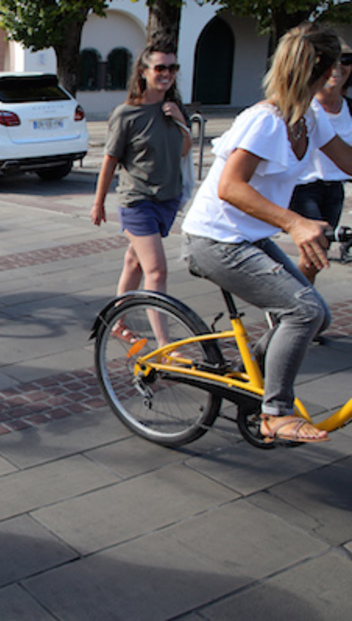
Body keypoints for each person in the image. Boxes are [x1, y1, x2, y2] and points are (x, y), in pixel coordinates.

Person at [182, 23, 352, 443]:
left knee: (318, 315)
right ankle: (274, 412)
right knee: (303, 311)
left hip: (246, 238)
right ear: (327, 68)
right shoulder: (265, 121)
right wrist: (295, 222)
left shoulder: (310, 119)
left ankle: (252, 372)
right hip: (214, 240)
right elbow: (230, 187)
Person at [91, 39, 193, 344]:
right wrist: (99, 204)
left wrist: (179, 120)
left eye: (172, 67)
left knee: (134, 261)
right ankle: (165, 345)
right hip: (138, 202)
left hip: (167, 200)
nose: (167, 73)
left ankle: (116, 321)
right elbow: (109, 162)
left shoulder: (173, 108)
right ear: (144, 71)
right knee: (157, 271)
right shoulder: (126, 114)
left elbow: (184, 151)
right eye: (160, 67)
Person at [287, 41, 352, 283]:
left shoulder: (349, 109)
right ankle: (296, 302)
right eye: (329, 61)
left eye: (345, 60)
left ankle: (301, 302)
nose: (337, 67)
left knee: (318, 257)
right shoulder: (304, 108)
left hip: (334, 189)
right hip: (303, 188)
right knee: (314, 251)